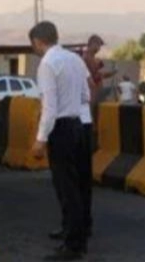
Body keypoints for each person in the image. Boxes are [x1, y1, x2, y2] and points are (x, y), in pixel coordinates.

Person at [30, 21, 89, 261]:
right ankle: (73, 232)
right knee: (77, 185)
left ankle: (73, 245)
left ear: (38, 42)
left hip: (61, 130)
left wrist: (40, 140)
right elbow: (85, 95)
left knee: (66, 188)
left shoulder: (47, 64)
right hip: (77, 126)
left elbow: (50, 108)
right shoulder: (75, 59)